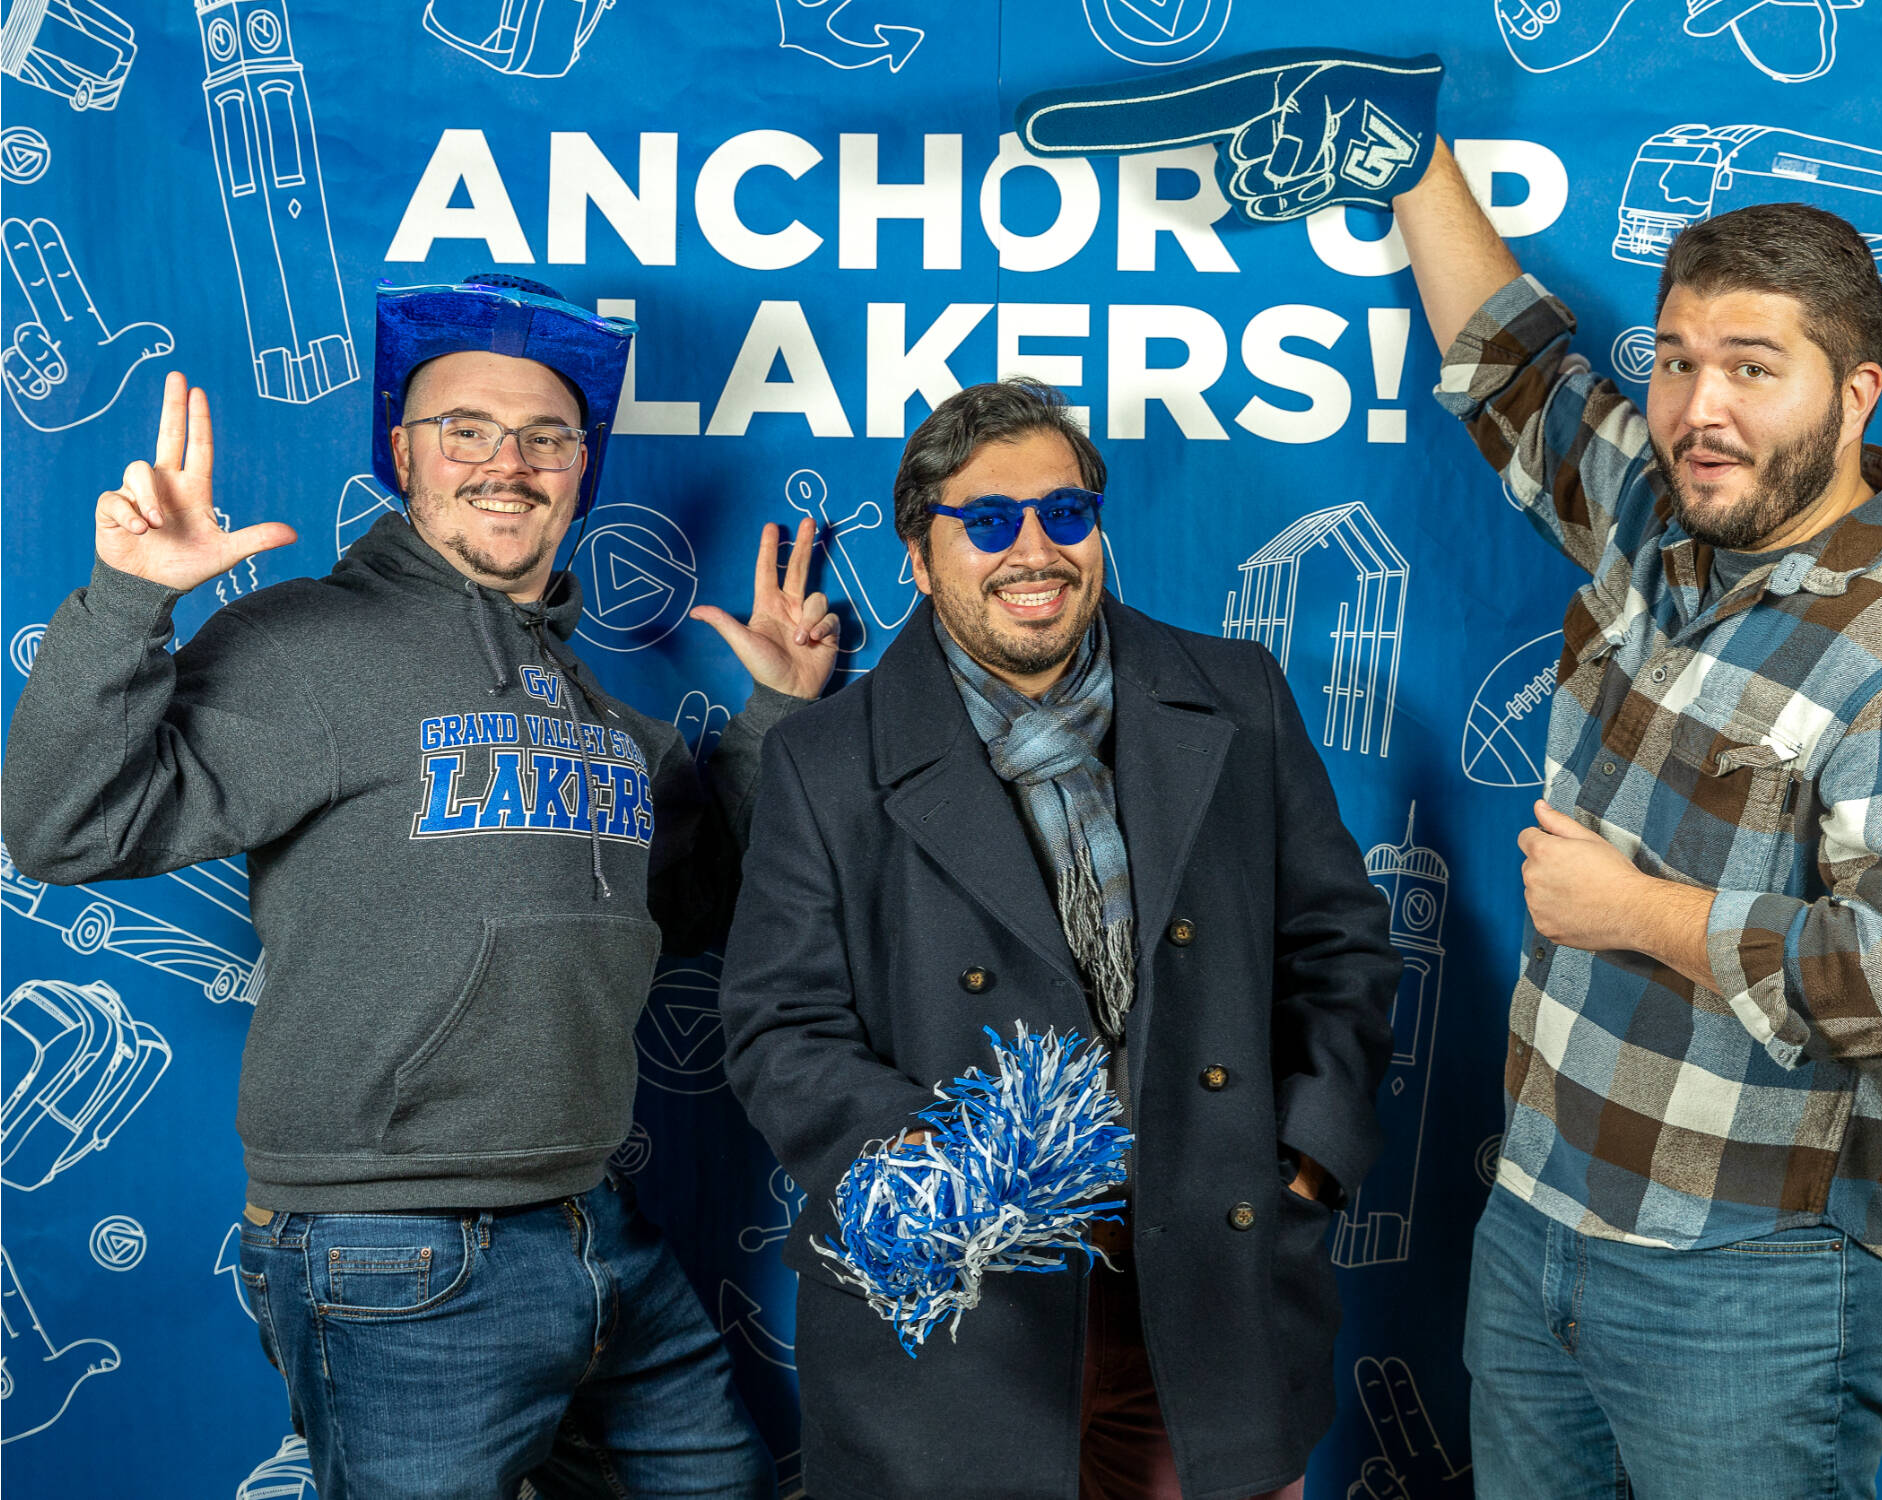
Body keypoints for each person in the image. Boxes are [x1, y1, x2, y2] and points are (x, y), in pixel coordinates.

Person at [2, 274, 841, 1499]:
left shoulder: (609, 718)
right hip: (391, 1247)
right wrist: (133, 598)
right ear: (404, 454)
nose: (509, 462)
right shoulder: (307, 643)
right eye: (467, 431)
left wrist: (771, 716)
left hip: (597, 1224)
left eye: (546, 436)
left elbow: (700, 908)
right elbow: (61, 829)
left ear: (579, 469)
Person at [1391, 145, 1882, 1495]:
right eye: (1674, 363)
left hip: (1754, 1281)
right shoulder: (1659, 526)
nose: (1698, 409)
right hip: (1541, 1216)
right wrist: (1410, 161)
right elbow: (1513, 377)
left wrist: (1638, 915)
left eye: (1750, 367)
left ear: (1856, 396)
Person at [716, 377, 1402, 1500]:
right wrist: (958, 1191)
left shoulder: (1234, 693)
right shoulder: (823, 757)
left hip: (1208, 1286)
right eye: (987, 521)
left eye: (1064, 514)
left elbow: (1336, 945)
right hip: (958, 1326)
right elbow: (779, 1025)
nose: (1032, 549)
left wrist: (1305, 1162)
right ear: (919, 554)